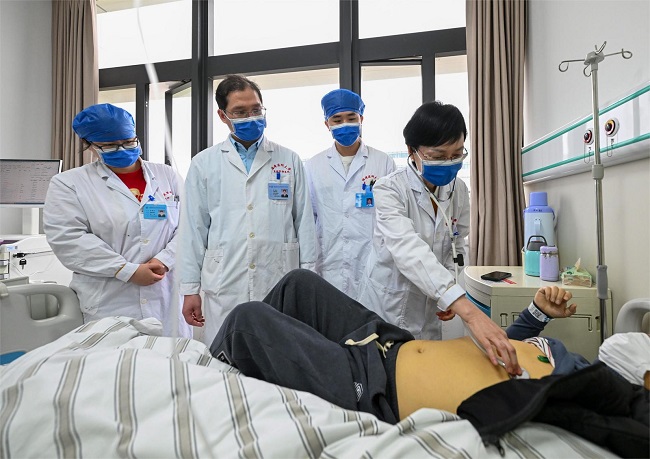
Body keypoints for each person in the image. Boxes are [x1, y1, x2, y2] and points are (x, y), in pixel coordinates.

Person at [210, 269, 592, 424]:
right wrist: (537, 313)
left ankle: (204, 383)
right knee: (298, 285)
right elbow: (505, 348)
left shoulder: (583, 392)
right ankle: (253, 370)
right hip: (389, 342)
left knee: (247, 322)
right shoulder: (558, 356)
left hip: (377, 389)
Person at [354, 101, 517, 370]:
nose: (449, 163)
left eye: (457, 154)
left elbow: (457, 244)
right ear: (412, 151)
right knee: (386, 372)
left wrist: (450, 287)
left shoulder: (458, 189)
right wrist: (463, 306)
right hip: (388, 302)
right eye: (438, 156)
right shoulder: (389, 189)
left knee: (425, 370)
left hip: (430, 305)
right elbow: (408, 249)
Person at [179, 74, 317, 345]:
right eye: (240, 112)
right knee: (228, 351)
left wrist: (308, 279)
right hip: (226, 279)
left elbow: (304, 223)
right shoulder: (203, 164)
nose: (251, 117)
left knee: (278, 350)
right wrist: (189, 289)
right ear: (222, 116)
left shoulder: (288, 159)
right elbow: (193, 229)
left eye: (256, 110)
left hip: (277, 275)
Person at [44, 103, 191, 338]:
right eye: (111, 145)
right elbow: (69, 239)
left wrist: (164, 260)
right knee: (113, 358)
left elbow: (189, 226)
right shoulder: (69, 184)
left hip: (164, 296)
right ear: (90, 145)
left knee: (171, 357)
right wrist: (126, 270)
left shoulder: (167, 175)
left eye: (129, 142)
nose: (123, 149)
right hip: (109, 301)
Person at [304, 89, 396, 298]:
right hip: (329, 262)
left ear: (361, 119)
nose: (344, 124)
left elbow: (392, 218)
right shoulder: (313, 166)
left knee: (371, 315)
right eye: (337, 120)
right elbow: (309, 218)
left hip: (373, 262)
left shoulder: (383, 162)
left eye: (351, 118)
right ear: (327, 124)